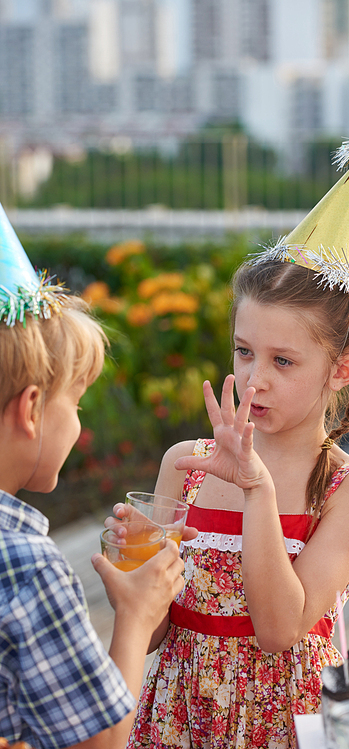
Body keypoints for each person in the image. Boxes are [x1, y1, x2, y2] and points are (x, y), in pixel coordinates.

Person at [111, 138, 349, 749]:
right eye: (244, 351)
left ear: (341, 370)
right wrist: (135, 559)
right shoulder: (185, 465)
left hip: (281, 725)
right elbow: (151, 635)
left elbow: (280, 629)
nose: (255, 378)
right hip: (177, 721)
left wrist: (257, 489)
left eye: (283, 360)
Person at [0, 203, 193, 749]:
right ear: (32, 408)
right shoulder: (25, 565)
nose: (79, 422)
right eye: (77, 402)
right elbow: (101, 740)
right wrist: (137, 613)